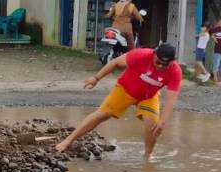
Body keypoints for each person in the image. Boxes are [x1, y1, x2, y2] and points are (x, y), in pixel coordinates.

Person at [54, 43, 183, 162]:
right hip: (125, 89)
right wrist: (96, 78)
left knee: (153, 124)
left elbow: (171, 99)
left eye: (164, 65)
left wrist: (162, 122)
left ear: (172, 62)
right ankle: (67, 141)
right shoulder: (141, 55)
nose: (160, 66)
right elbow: (115, 62)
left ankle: (148, 155)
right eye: (158, 62)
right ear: (154, 54)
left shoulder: (175, 72)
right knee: (100, 115)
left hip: (148, 96)